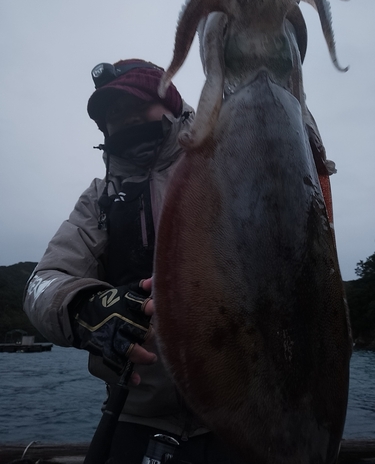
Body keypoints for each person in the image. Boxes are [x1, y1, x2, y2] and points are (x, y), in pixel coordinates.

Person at [23, 58, 246, 464]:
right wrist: (83, 308)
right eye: (114, 115)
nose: (124, 121)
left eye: (138, 105)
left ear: (173, 105)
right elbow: (42, 282)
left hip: (242, 412)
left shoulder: (230, 164)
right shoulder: (99, 200)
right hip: (134, 417)